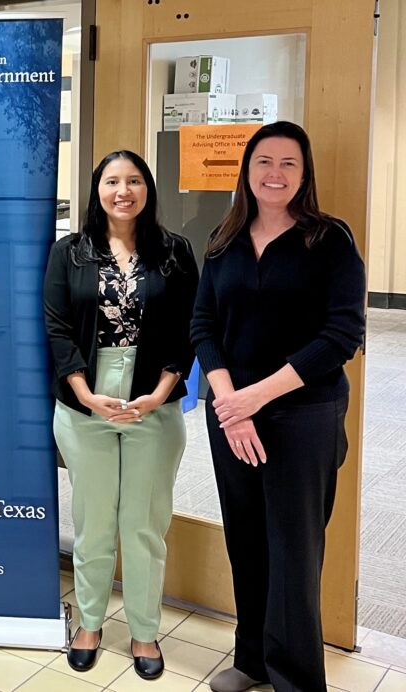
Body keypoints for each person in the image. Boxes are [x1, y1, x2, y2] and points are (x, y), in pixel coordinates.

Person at [191, 121, 365, 692]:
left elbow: (342, 335)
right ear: (246, 170)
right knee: (246, 538)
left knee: (294, 547)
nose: (275, 173)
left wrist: (254, 398)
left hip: (303, 415)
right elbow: (203, 325)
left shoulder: (329, 240)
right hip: (233, 414)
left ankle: (295, 679)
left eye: (289, 163)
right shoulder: (222, 240)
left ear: (305, 173)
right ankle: (253, 661)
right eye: (264, 161)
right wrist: (227, 400)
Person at [44, 150, 199, 680]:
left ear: (148, 189)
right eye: (112, 181)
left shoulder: (174, 252)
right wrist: (85, 394)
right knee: (93, 523)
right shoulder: (70, 252)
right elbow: (57, 328)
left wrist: (160, 393)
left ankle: (143, 631)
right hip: (85, 402)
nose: (123, 191)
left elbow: (187, 328)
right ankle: (88, 624)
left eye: (134, 181)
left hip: (152, 403)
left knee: (144, 524)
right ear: (97, 190)